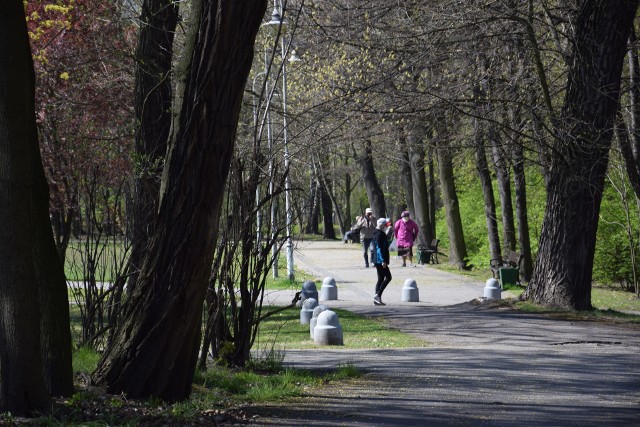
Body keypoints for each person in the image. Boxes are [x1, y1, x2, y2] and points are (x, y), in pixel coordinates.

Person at [372, 217, 392, 305]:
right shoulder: (379, 234)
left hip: (378, 260)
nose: (385, 227)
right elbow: (379, 248)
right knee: (388, 277)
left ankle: (377, 299)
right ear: (380, 225)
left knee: (380, 278)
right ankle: (378, 295)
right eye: (384, 225)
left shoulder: (379, 233)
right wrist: (383, 260)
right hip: (380, 260)